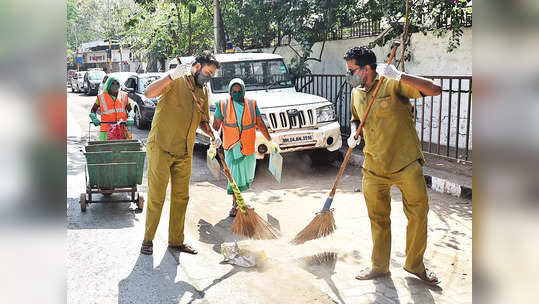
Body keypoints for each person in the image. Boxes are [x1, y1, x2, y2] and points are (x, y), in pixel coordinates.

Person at [343, 46, 442, 285]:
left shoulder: (391, 83)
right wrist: (354, 133)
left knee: (418, 214)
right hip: (374, 166)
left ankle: (415, 265)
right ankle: (379, 266)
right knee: (378, 218)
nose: (350, 75)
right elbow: (356, 117)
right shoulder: (357, 92)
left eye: (352, 70)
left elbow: (435, 89)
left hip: (405, 163)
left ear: (367, 68)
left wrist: (400, 76)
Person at [140, 51, 221, 256]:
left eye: (212, 74)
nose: (209, 77)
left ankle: (176, 241)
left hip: (185, 151)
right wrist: (171, 76)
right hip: (162, 147)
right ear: (196, 67)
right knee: (157, 197)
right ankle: (148, 240)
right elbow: (149, 93)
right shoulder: (176, 81)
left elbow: (202, 120)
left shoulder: (202, 92)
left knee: (181, 197)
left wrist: (213, 133)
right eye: (207, 72)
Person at [212, 78, 278, 217]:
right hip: (232, 147)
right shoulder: (223, 105)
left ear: (244, 91)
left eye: (239, 91)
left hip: (248, 147)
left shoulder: (252, 105)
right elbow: (216, 127)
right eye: (233, 91)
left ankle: (238, 203)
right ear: (230, 92)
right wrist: (213, 141)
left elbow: (260, 123)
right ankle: (236, 205)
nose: (236, 94)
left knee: (246, 176)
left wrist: (270, 141)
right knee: (234, 177)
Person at [89, 76, 134, 140]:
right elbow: (93, 110)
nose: (115, 86)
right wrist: (94, 118)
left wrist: (131, 117)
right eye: (113, 83)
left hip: (121, 130)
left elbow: (130, 110)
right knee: (106, 149)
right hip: (106, 131)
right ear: (108, 85)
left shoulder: (124, 96)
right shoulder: (101, 97)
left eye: (117, 83)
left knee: (123, 148)